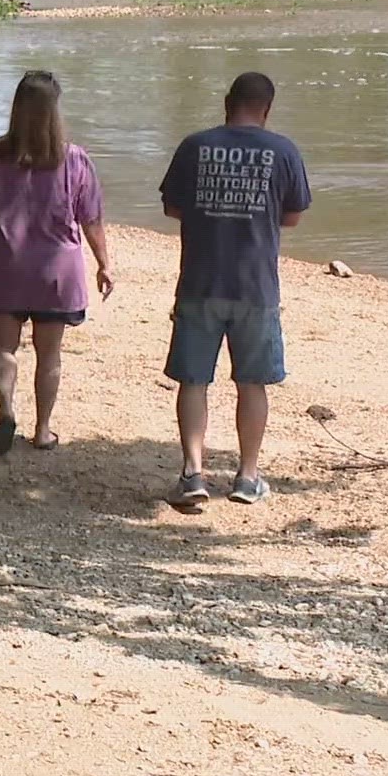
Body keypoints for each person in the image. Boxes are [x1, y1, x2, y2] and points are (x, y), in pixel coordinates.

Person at [159, 71, 312, 507]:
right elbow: (294, 216)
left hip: (200, 282)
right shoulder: (283, 150)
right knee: (252, 383)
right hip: (255, 287)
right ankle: (247, 476)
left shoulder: (194, 146)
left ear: (227, 101)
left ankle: (192, 473)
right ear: (267, 109)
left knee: (193, 380)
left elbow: (172, 206)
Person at [0, 71, 114, 455]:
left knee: (3, 347)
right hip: (55, 272)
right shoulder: (74, 159)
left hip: (5, 265)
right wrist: (104, 263)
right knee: (49, 355)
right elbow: (90, 219)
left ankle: (7, 410)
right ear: (54, 111)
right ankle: (43, 430)